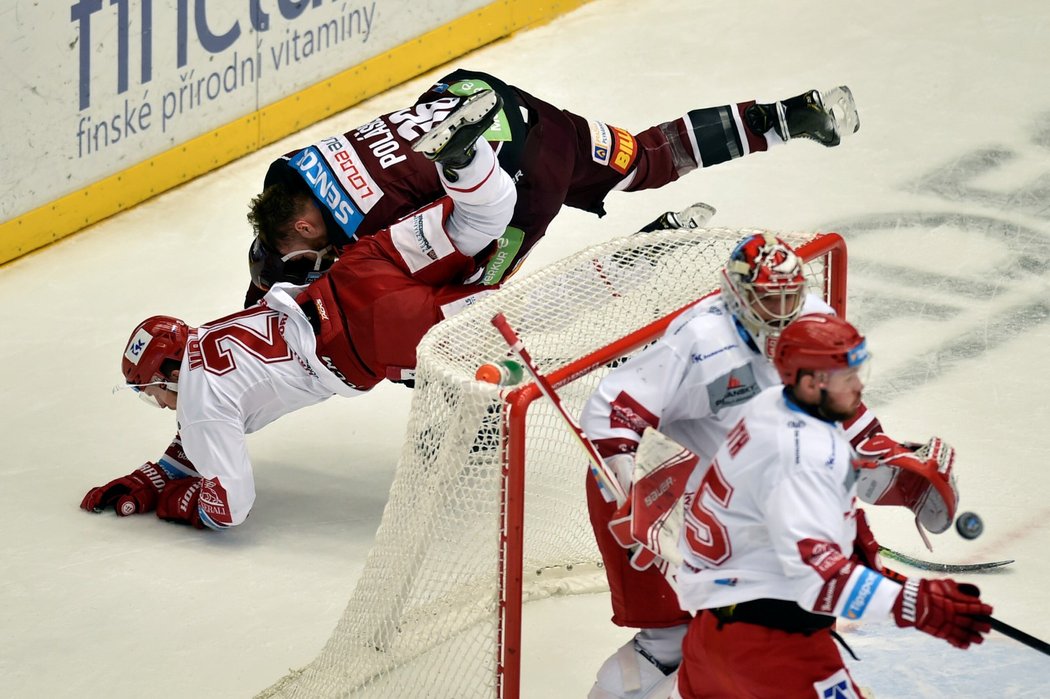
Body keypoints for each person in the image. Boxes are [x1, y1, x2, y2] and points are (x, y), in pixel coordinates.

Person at [80, 97, 516, 530]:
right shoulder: (207, 338)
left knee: (502, 328)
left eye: (148, 391)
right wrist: (162, 472)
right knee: (477, 220)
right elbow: (212, 416)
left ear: (169, 371)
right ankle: (467, 161)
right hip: (356, 270)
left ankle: (584, 288)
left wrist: (183, 503)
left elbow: (230, 507)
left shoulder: (198, 404)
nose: (156, 403)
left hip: (361, 339)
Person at [578, 233, 960, 698]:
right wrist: (629, 492)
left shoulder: (813, 327)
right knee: (685, 639)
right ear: (735, 295)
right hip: (674, 505)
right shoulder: (701, 341)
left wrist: (880, 450)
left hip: (736, 517)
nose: (781, 314)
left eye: (789, 298)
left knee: (700, 642)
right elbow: (610, 411)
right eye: (768, 301)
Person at [242, 68, 862, 307]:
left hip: (525, 180)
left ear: (303, 225)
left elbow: (438, 233)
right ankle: (788, 116)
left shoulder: (359, 221)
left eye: (302, 252)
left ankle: (651, 247)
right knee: (644, 157)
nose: (310, 262)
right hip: (515, 111)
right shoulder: (298, 167)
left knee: (466, 313)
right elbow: (285, 247)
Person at [670, 314, 993, 698]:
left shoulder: (771, 406)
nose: (859, 386)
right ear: (810, 382)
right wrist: (914, 603)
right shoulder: (803, 457)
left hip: (711, 638)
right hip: (774, 651)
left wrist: (852, 551)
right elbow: (819, 580)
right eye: (846, 377)